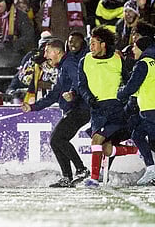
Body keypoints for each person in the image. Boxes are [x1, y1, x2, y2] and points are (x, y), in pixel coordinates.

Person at [21, 39, 90, 187]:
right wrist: (32, 107)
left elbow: (80, 81)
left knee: (57, 139)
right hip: (74, 109)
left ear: (57, 52)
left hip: (80, 109)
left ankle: (81, 169)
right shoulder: (62, 67)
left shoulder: (69, 64)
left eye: (47, 51)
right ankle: (67, 176)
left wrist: (72, 93)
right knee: (56, 140)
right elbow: (53, 95)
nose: (45, 55)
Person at [78, 25, 138, 188]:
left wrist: (126, 99)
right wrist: (89, 98)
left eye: (93, 43)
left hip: (115, 109)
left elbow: (128, 81)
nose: (90, 47)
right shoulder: (85, 61)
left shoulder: (117, 59)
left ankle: (94, 179)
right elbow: (81, 85)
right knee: (106, 148)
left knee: (96, 140)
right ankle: (135, 150)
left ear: (103, 44)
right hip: (97, 109)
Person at [117, 36, 155, 185]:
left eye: (134, 46)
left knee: (138, 135)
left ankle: (151, 169)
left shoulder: (143, 64)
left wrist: (119, 94)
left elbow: (132, 86)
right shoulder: (153, 63)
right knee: (141, 136)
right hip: (149, 108)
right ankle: (151, 168)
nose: (132, 50)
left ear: (142, 48)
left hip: (150, 109)